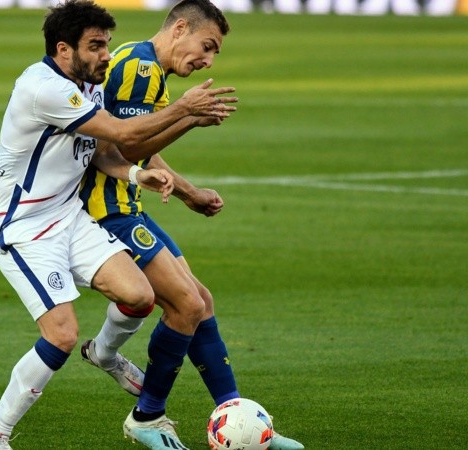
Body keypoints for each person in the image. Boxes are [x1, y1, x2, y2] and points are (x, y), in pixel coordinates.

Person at [0, 1, 233, 449]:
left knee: (140, 296)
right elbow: (125, 134)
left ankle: (105, 353)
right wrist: (185, 110)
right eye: (95, 46)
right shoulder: (44, 88)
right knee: (62, 335)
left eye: (106, 44)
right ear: (63, 49)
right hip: (24, 227)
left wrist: (137, 176)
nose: (106, 54)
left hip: (69, 216)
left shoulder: (87, 85)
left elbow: (106, 152)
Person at [77, 1, 304, 449]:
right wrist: (187, 117)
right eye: (207, 46)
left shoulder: (148, 66)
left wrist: (188, 192)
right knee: (184, 304)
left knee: (201, 301)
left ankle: (239, 416)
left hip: (125, 205)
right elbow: (123, 149)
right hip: (103, 211)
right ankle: (147, 417)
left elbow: (143, 144)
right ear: (180, 28)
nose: (208, 61)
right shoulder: (140, 68)